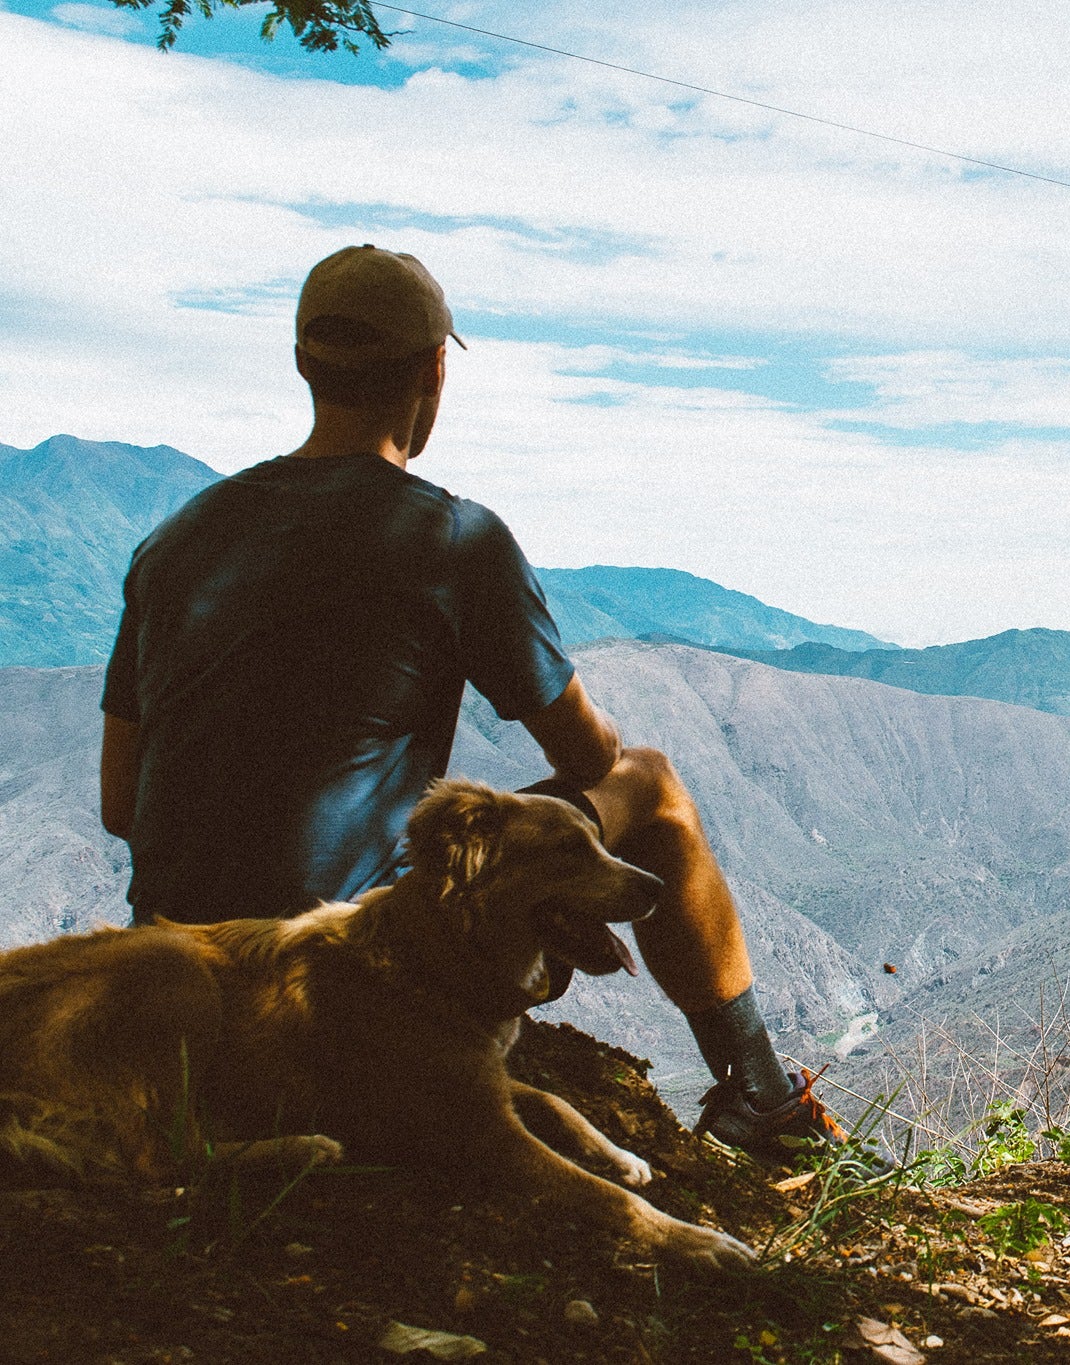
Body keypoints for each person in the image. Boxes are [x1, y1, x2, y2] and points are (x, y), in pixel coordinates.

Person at [98, 244, 852, 1167]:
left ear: (303, 362)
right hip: (340, 966)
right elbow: (588, 761)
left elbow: (120, 802)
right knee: (651, 786)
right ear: (433, 371)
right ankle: (762, 1103)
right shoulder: (452, 539)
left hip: (182, 974)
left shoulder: (174, 541)